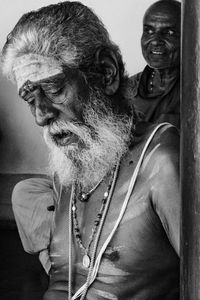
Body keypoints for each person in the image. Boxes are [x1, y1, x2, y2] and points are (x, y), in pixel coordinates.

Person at [1, 1, 180, 299]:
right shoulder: (70, 166)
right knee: (24, 192)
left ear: (106, 73)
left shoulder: (161, 160)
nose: (40, 115)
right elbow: (62, 282)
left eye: (54, 89)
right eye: (30, 99)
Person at [130, 0, 181, 128]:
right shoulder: (127, 89)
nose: (156, 41)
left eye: (169, 33)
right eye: (149, 31)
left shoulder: (194, 91)